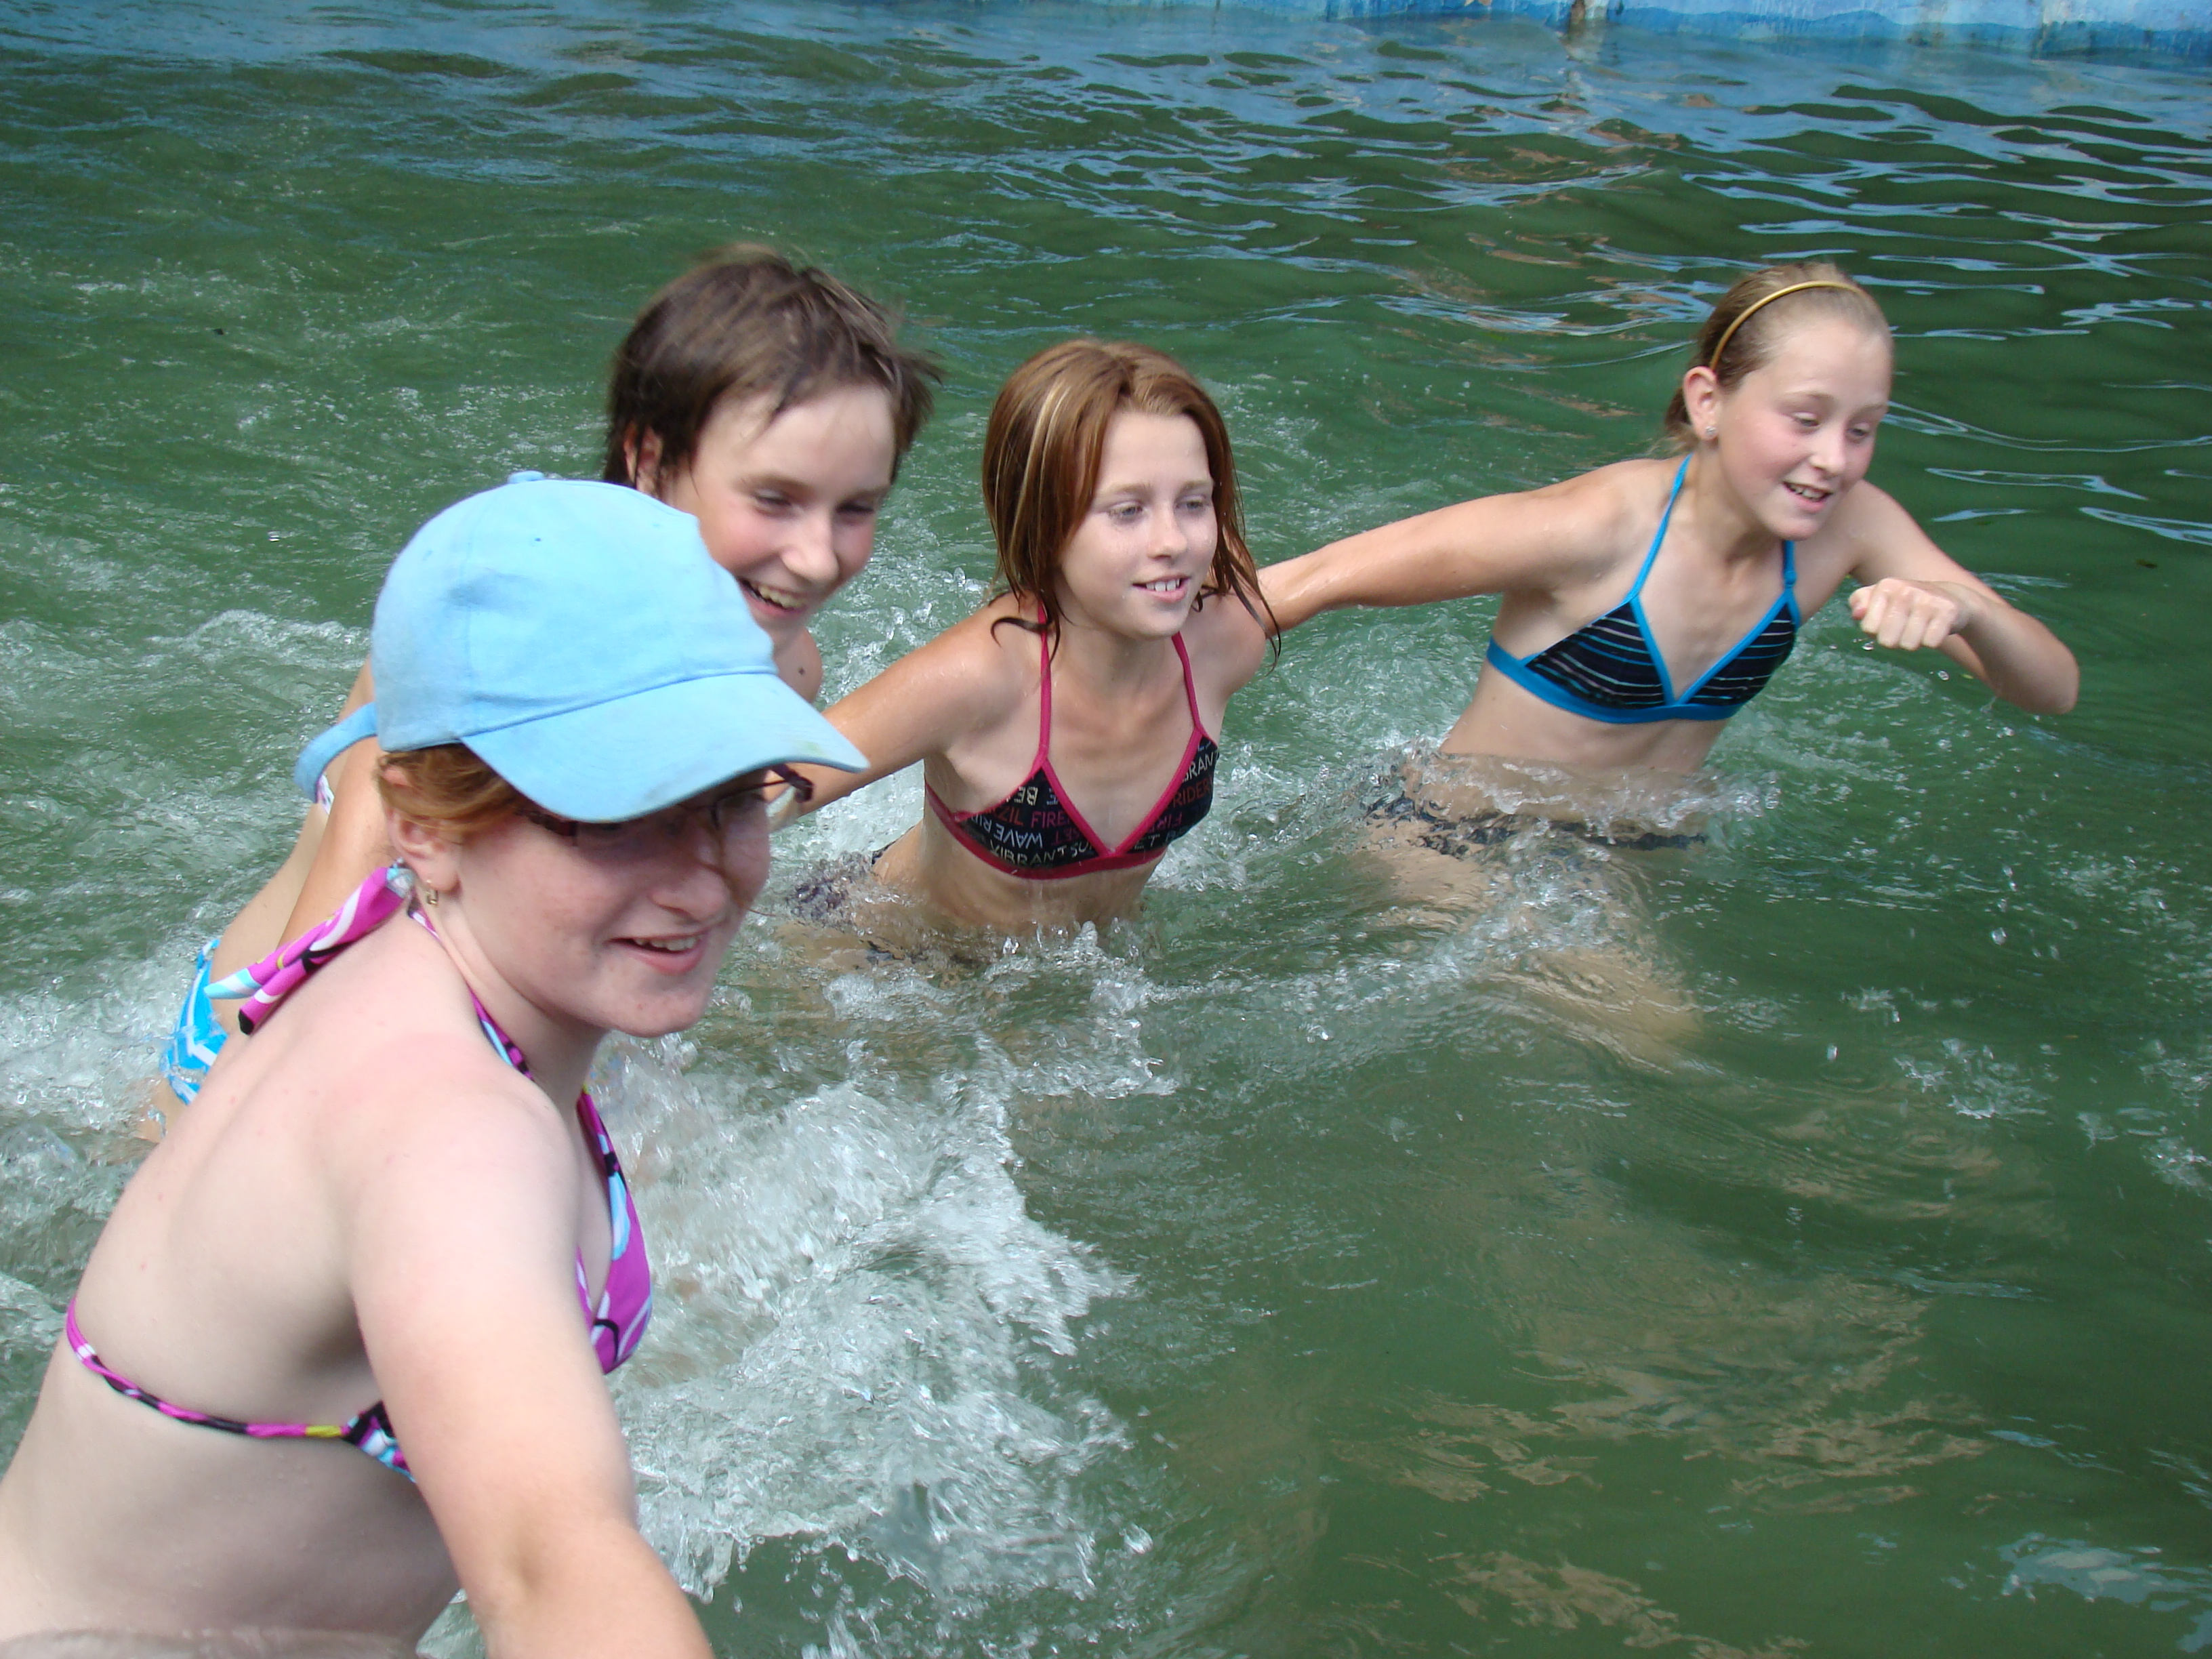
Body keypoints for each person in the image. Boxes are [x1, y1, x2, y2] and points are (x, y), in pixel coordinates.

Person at [0, 476, 867, 1648]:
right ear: (421, 824)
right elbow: (548, 1563)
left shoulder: (409, 968)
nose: (701, 876)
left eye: (733, 798)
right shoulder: (445, 1120)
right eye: (613, 814)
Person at [157, 249, 937, 1109]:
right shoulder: (494, 626)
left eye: (856, 507)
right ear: (649, 459)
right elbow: (337, 936)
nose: (819, 556)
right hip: (262, 1039)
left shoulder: (783, 664)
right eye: (775, 499)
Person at [1260, 262, 2078, 843]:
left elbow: (2053, 691)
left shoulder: (1852, 528)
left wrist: (1968, 609)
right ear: (1708, 401)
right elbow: (1313, 580)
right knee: (1655, 1027)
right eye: (1805, 419)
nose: (1834, 457)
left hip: (1630, 855)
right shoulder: (1597, 527)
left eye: (1862, 429)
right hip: (1448, 833)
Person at [785, 340, 1275, 943]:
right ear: (1044, 518)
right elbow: (764, 789)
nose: (1172, 540)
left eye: (1194, 503)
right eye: (1127, 511)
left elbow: (1340, 572)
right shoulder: (979, 678)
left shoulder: (1222, 634)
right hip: (876, 950)